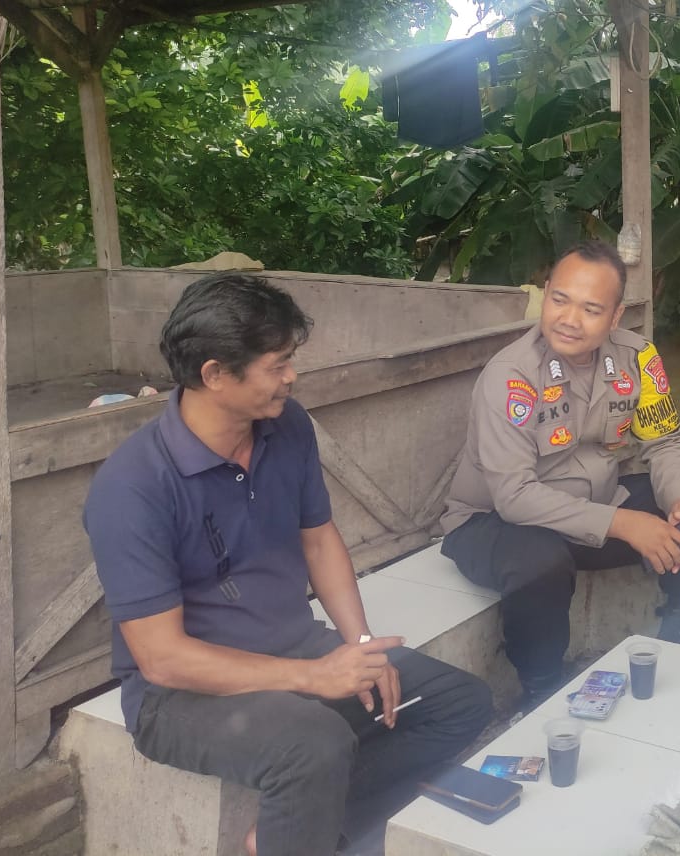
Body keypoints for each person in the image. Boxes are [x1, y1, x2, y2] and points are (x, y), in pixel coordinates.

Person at [83, 274, 493, 856]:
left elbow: (319, 540)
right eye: (276, 365)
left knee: (459, 703)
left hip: (294, 646)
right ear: (215, 374)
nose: (291, 376)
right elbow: (163, 660)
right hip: (178, 697)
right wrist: (313, 677)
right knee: (315, 744)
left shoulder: (287, 425)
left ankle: (292, 831)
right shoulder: (133, 487)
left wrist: (361, 646)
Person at [441, 240, 680, 708]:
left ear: (615, 317)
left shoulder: (639, 358)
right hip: (494, 524)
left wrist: (679, 502)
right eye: (559, 300)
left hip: (593, 508)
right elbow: (514, 496)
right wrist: (624, 523)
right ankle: (541, 689)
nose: (569, 319)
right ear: (545, 294)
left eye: (591, 309)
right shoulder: (511, 375)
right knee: (540, 561)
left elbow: (664, 442)